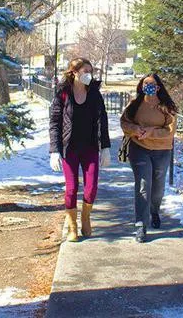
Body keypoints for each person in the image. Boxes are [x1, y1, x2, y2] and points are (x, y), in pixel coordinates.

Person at [49, 57, 111, 241]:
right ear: (74, 72)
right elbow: (54, 123)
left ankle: (85, 217)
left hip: (90, 147)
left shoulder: (94, 93)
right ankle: (72, 226)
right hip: (69, 148)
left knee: (91, 187)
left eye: (90, 72)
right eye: (85, 72)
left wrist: (105, 147)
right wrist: (54, 150)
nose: (89, 75)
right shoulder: (62, 93)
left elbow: (103, 120)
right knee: (72, 187)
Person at [120, 73, 177, 242]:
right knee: (144, 184)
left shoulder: (167, 107)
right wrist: (134, 130)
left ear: (158, 87)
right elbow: (124, 122)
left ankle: (154, 210)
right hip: (139, 148)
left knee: (158, 187)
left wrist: (152, 132)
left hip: (162, 150)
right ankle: (141, 225)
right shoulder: (135, 104)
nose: (148, 87)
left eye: (151, 84)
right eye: (145, 83)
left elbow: (170, 131)